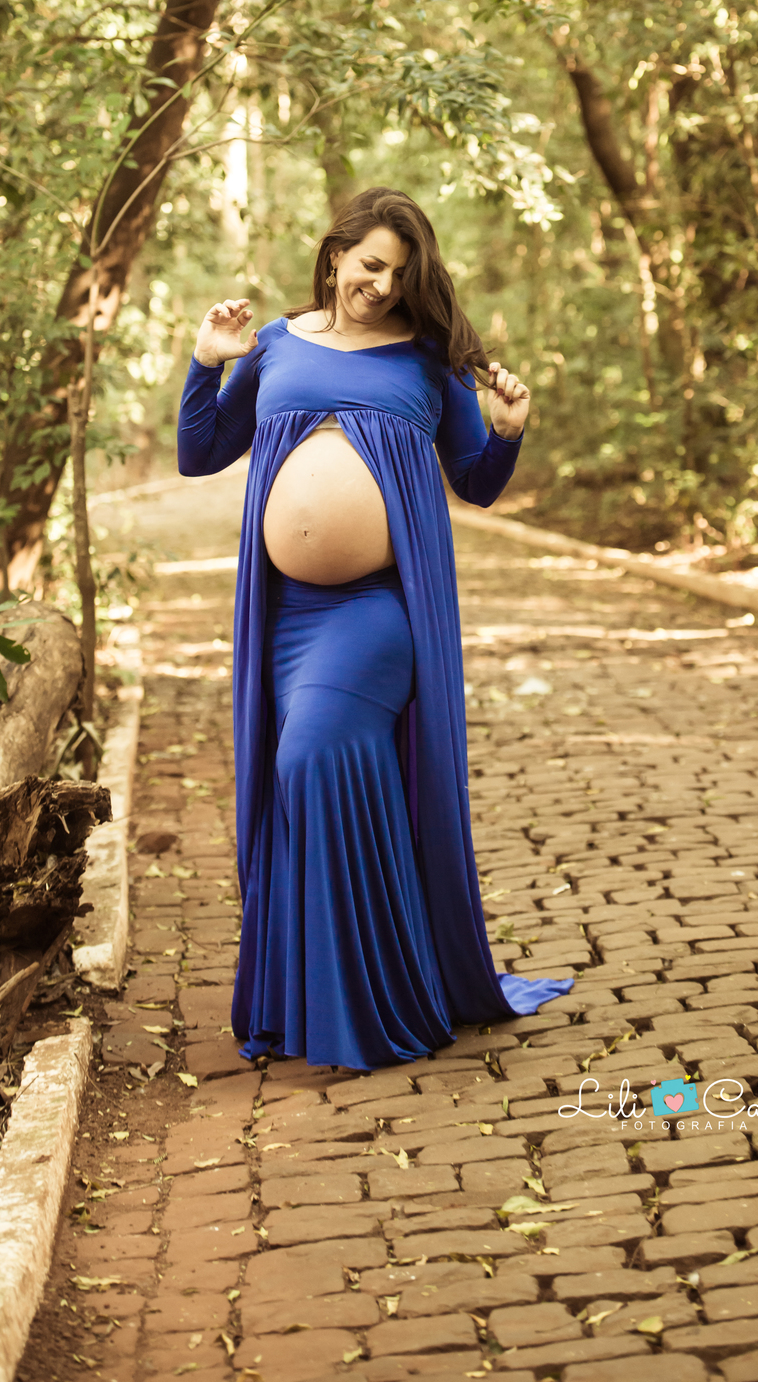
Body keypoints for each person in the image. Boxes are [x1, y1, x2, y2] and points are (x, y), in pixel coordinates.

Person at [176, 187, 573, 1071]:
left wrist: (507, 434)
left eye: (398, 274)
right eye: (369, 266)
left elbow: (474, 479)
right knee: (302, 783)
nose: (382, 285)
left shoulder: (426, 361)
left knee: (311, 756)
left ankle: (374, 996)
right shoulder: (275, 344)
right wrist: (208, 363)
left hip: (372, 615)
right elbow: (199, 453)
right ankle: (327, 991)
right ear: (334, 258)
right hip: (286, 621)